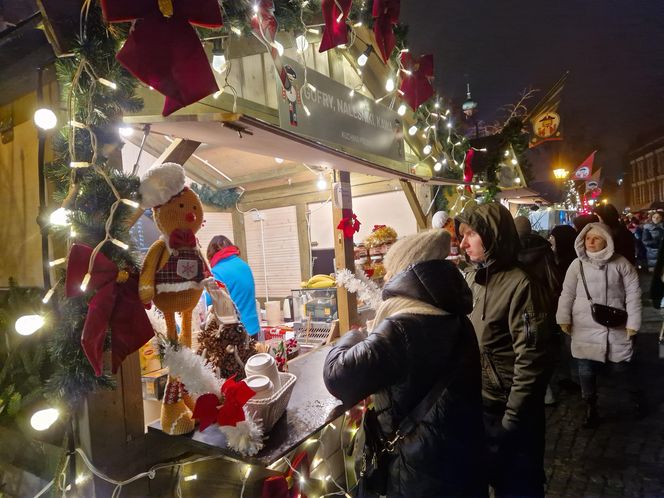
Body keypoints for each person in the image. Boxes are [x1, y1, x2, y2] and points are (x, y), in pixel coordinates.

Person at [324, 230, 487, 498]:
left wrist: (353, 335)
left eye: (392, 270)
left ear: (406, 269)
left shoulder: (400, 326)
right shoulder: (455, 315)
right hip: (459, 454)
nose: (387, 277)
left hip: (419, 466)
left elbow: (337, 376)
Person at [455, 203, 552, 498]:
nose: (463, 243)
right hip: (480, 406)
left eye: (470, 234)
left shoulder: (521, 284)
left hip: (511, 411)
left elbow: (532, 359)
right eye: (462, 235)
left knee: (518, 486)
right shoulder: (472, 278)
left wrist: (513, 419)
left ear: (492, 234)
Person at [556, 223, 642, 428]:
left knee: (623, 368)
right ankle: (590, 407)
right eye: (587, 238)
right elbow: (567, 293)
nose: (591, 242)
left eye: (596, 238)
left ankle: (636, 400)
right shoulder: (577, 265)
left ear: (607, 239)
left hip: (616, 326)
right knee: (585, 370)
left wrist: (633, 323)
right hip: (584, 326)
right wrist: (563, 317)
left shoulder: (621, 264)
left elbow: (633, 294)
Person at [206, 235, 260, 337]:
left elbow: (207, 301)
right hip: (253, 327)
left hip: (235, 334)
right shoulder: (245, 266)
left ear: (211, 254)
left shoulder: (217, 272)